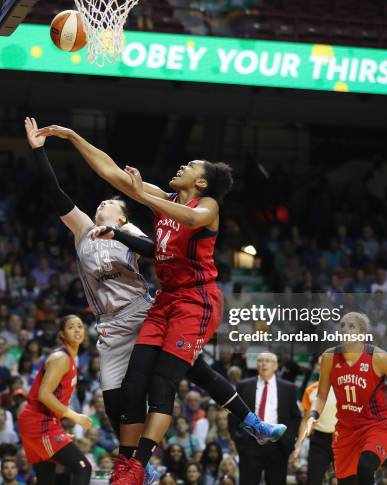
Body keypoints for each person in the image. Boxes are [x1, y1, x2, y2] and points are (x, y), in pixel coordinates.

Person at [29, 119, 285, 480]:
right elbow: (110, 171)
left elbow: (190, 217)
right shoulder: (163, 201)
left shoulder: (207, 205)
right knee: (139, 386)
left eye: (191, 166)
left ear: (200, 182)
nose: (182, 166)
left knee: (166, 383)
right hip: (164, 301)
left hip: (196, 301)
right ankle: (245, 422)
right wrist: (71, 137)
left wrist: (140, 197)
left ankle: (140, 465)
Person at [302, 312, 387, 485]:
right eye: (342, 326)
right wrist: (313, 416)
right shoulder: (329, 357)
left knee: (365, 466)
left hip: (376, 427)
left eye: (351, 326)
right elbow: (321, 396)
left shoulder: (378, 357)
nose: (344, 330)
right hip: (345, 431)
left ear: (362, 334)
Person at [17, 314, 93, 485]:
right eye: (71, 327)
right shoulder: (61, 358)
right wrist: (76, 417)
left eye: (80, 326)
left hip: (41, 421)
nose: (77, 330)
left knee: (46, 479)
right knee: (83, 468)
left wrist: (57, 426)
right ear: (62, 334)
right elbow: (44, 395)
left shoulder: (72, 358)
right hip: (39, 421)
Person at [230, 352, 301, 485]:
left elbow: (296, 417)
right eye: (260, 361)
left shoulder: (288, 388)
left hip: (278, 445)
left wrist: (288, 440)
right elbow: (233, 413)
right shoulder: (243, 385)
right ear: (256, 365)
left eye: (267, 361)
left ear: (275, 365)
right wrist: (238, 438)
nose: (263, 364)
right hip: (250, 442)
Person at [291, 355, 337, 485]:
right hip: (319, 441)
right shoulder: (310, 390)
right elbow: (305, 420)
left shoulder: (347, 388)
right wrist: (298, 447)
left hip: (343, 440)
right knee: (313, 480)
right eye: (320, 364)